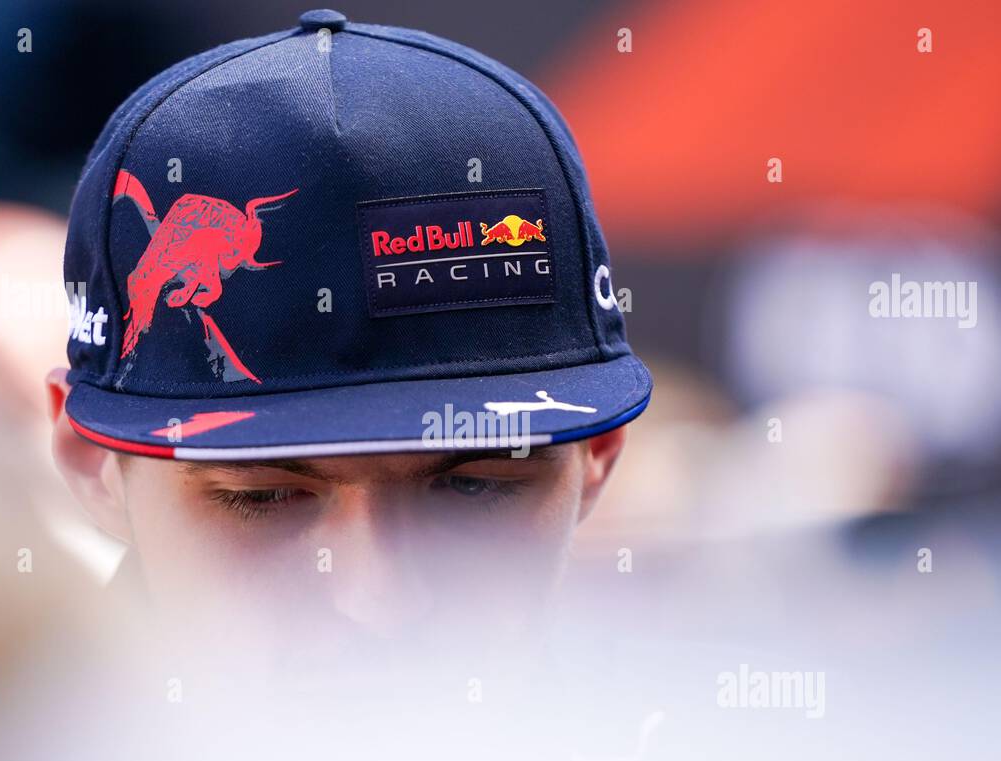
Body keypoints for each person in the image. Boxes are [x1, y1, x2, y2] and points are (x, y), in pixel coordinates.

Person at [48, 9, 651, 641]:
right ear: (92, 462)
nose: (379, 597)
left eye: (476, 486)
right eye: (263, 496)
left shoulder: (708, 736)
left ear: (599, 454)